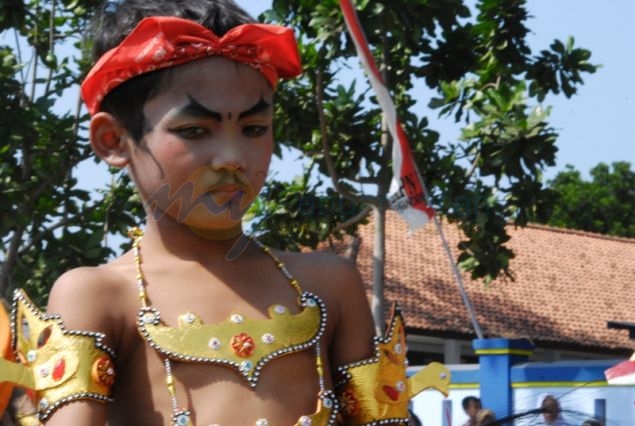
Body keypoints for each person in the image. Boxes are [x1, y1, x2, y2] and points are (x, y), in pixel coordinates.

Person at [0, 1, 450, 425]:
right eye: (194, 130)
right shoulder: (97, 296)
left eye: (254, 129)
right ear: (113, 141)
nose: (233, 156)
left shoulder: (331, 285)